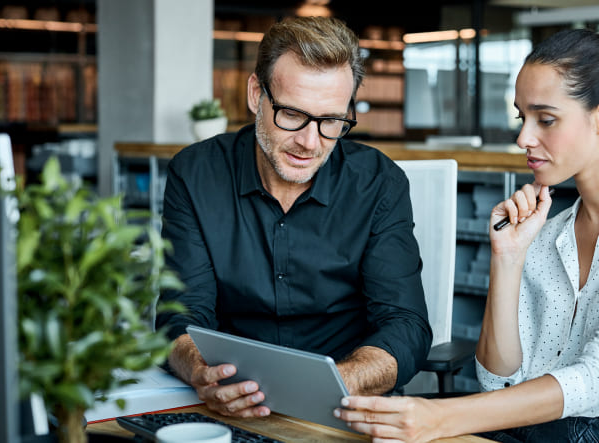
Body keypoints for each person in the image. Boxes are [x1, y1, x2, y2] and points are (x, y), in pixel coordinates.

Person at [335, 28, 599, 442]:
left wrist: (440, 418)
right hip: (526, 429)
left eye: (546, 119)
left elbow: (596, 380)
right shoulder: (546, 231)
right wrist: (508, 258)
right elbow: (496, 379)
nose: (523, 138)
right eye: (522, 117)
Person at [155, 16, 432, 419]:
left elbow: (405, 325)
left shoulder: (379, 184)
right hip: (229, 400)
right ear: (256, 94)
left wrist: (338, 382)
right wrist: (201, 372)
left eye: (331, 121)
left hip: (344, 405)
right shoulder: (195, 174)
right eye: (291, 114)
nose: (309, 141)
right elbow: (181, 314)